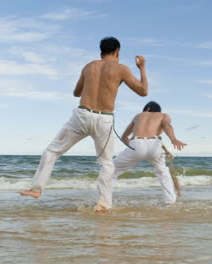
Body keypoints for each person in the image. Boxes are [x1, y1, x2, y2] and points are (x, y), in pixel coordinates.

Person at [20, 36, 148, 212]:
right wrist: (142, 68)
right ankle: (103, 204)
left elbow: (76, 92)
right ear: (117, 52)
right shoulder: (122, 69)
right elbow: (143, 91)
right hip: (104, 119)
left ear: (100, 52)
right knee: (106, 163)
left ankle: (35, 189)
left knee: (52, 151)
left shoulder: (89, 66)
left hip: (81, 116)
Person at [113, 101, 186, 204]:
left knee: (111, 170)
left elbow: (124, 137)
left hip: (137, 143)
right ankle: (169, 201)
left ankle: (103, 199)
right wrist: (173, 139)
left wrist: (133, 148)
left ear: (147, 109)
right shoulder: (163, 115)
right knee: (163, 172)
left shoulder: (139, 116)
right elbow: (167, 126)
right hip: (155, 144)